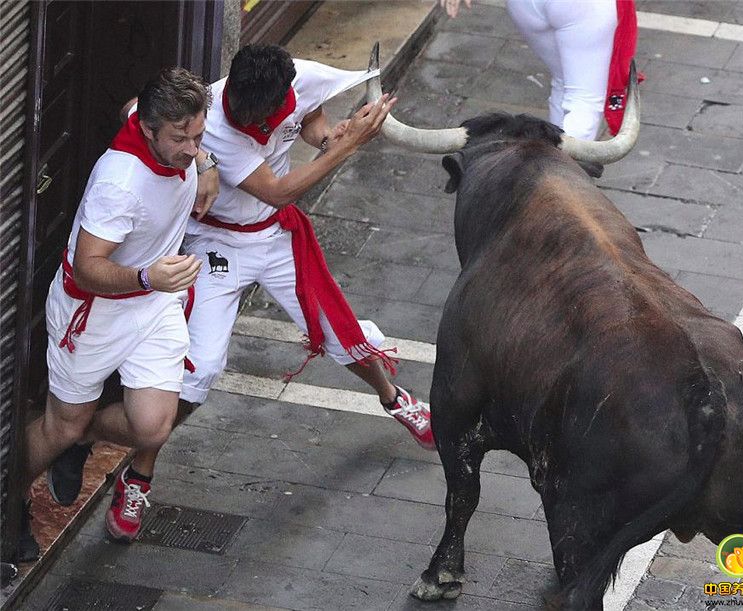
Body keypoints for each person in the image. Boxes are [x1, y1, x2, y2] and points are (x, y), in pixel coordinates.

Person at [47, 44, 435, 543]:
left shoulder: (303, 80)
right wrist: (348, 146)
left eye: (262, 117)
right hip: (216, 244)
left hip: (274, 237)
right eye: (236, 113)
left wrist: (325, 135)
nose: (247, 122)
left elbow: (309, 114)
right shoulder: (213, 118)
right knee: (199, 370)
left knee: (342, 330)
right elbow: (279, 190)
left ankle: (394, 397)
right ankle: (134, 469)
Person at [23, 67, 217, 549]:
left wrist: (206, 162)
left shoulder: (155, 120)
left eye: (199, 136)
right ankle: (10, 505)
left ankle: (83, 432)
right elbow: (87, 268)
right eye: (182, 139)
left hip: (153, 306)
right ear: (149, 130)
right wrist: (146, 276)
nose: (190, 149)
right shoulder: (119, 184)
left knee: (152, 426)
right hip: (93, 315)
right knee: (57, 428)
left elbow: (131, 102)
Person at [441, 0, 638, 140]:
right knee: (584, 101)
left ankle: (555, 160)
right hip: (584, 7)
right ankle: (563, 179)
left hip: (526, 6)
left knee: (563, 80)